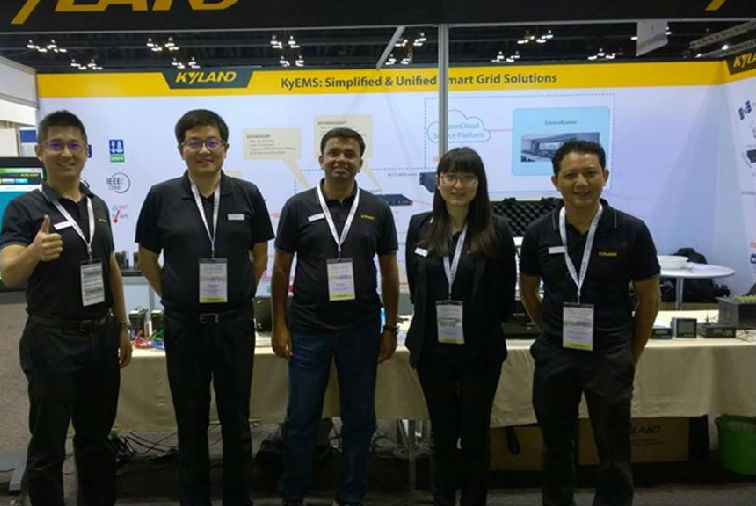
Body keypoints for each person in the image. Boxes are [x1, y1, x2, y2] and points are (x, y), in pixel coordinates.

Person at [135, 109, 274, 506]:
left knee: (237, 420)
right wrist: (172, 295)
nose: (204, 150)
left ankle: (238, 499)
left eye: (212, 142)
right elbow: (147, 258)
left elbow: (259, 254)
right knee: (190, 420)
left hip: (234, 324)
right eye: (194, 142)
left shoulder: (247, 194)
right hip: (185, 326)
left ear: (225, 148)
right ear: (181, 149)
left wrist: (243, 290)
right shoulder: (161, 196)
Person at [0, 110, 132, 506]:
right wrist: (33, 253)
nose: (66, 153)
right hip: (51, 339)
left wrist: (123, 326)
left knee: (96, 440)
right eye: (56, 145)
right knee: (48, 443)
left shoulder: (98, 204)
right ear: (40, 152)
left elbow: (109, 267)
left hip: (100, 335)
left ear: (87, 151)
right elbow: (8, 273)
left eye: (74, 145)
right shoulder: (23, 208)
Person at [518, 140, 661, 506]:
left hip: (609, 354)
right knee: (554, 445)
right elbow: (529, 292)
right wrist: (551, 331)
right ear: (555, 181)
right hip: (556, 355)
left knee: (614, 448)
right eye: (570, 175)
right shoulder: (538, 232)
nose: (581, 182)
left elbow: (649, 299)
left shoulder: (631, 230)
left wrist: (629, 352)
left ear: (605, 176)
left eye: (590, 173)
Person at [272, 127, 399, 506]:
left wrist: (390, 327)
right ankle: (293, 492)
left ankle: (352, 493)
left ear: (360, 161)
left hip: (361, 329)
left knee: (360, 419)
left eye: (349, 153)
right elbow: (280, 270)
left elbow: (390, 273)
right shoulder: (297, 207)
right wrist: (279, 324)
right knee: (301, 418)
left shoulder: (377, 209)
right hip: (308, 329)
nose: (341, 159)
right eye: (334, 152)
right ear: (320, 159)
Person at [404, 147, 516, 506]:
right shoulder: (420, 226)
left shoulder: (497, 230)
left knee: (475, 434)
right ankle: (442, 500)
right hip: (433, 349)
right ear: (438, 182)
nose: (458, 185)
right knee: (441, 434)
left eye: (467, 177)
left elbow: (504, 295)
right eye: (450, 176)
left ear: (478, 183)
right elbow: (416, 284)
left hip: (479, 350)